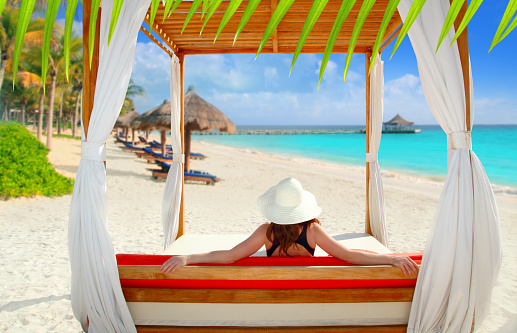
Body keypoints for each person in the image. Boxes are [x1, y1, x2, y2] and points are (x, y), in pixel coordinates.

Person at [161, 177, 419, 277]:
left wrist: (188, 257)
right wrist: (392, 260)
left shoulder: (266, 232)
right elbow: (348, 256)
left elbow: (229, 256)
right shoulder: (313, 231)